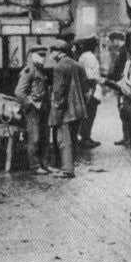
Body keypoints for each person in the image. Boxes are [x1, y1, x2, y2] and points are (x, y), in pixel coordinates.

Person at [47, 39, 88, 178]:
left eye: (52, 51)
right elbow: (85, 89)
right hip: (78, 110)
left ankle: (67, 170)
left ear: (58, 52)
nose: (50, 54)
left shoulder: (59, 67)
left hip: (66, 111)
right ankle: (70, 166)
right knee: (73, 139)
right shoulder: (77, 65)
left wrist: (56, 114)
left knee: (63, 140)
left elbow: (58, 92)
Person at [15, 45, 51, 174]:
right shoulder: (29, 71)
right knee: (34, 138)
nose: (42, 58)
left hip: (43, 108)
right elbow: (19, 92)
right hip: (33, 110)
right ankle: (35, 166)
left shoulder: (41, 70)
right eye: (40, 56)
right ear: (33, 56)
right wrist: (29, 103)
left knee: (45, 137)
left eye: (44, 56)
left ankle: (45, 164)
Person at [76, 35, 103, 150]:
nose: (97, 48)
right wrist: (91, 91)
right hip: (90, 89)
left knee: (90, 115)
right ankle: (85, 139)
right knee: (89, 115)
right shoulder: (89, 57)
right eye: (95, 45)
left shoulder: (86, 56)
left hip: (90, 87)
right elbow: (90, 76)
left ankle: (87, 137)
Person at [106, 31, 131, 147]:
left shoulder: (123, 50)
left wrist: (108, 76)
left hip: (124, 83)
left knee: (124, 111)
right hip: (126, 81)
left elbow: (118, 69)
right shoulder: (127, 48)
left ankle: (128, 138)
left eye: (112, 41)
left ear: (116, 40)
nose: (112, 44)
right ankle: (127, 137)